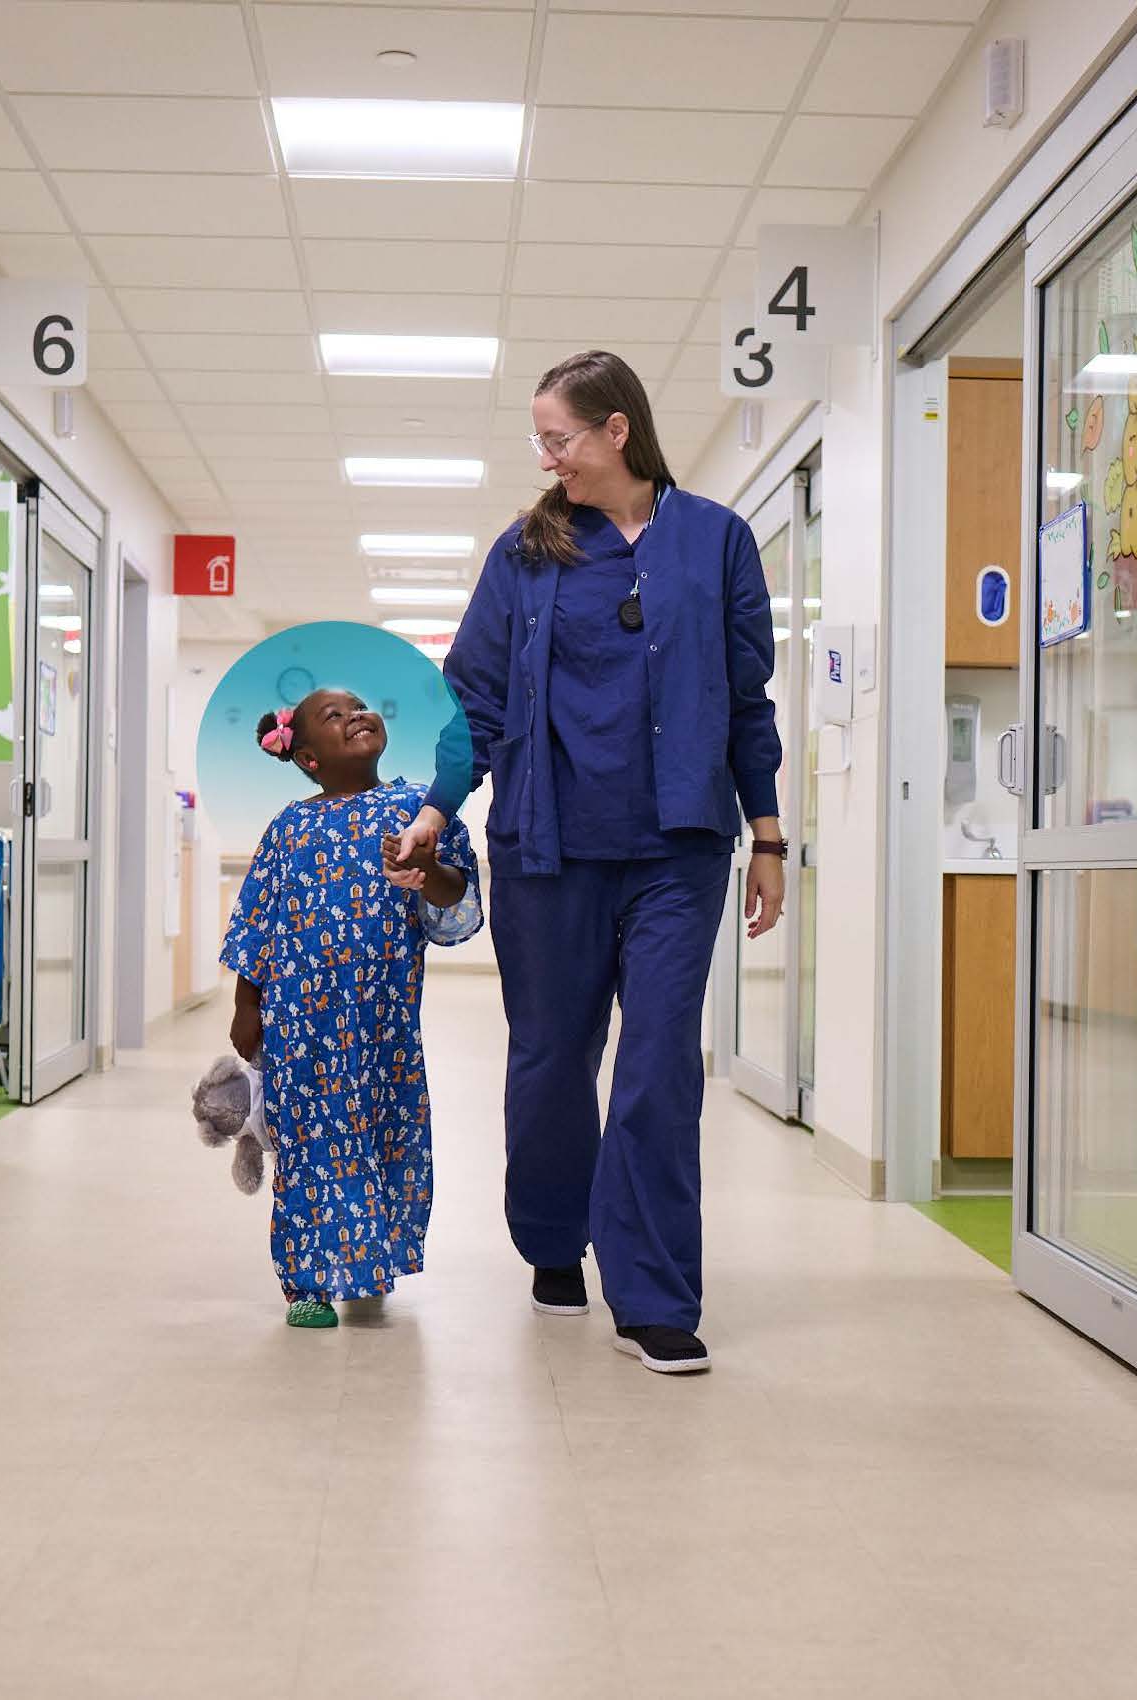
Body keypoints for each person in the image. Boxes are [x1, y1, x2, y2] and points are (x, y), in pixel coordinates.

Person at [389, 349, 784, 1374]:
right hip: (547, 850)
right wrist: (438, 806)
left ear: (617, 429)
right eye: (540, 439)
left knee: (658, 1065)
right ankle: (555, 1236)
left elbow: (748, 701)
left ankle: (652, 1293)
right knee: (553, 1060)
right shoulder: (525, 555)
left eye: (558, 436)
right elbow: (472, 697)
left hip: (677, 851)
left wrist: (771, 834)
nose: (546, 456)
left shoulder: (717, 543)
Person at [222, 688, 485, 1329]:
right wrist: (245, 1004)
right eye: (335, 717)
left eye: (361, 706)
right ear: (308, 757)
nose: (356, 716)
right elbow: (258, 922)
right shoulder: (289, 827)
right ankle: (307, 1282)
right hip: (302, 1026)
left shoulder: (422, 810)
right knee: (312, 1145)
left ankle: (369, 1262)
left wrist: (429, 867)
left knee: (385, 1138)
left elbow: (455, 903)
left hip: (385, 1026)